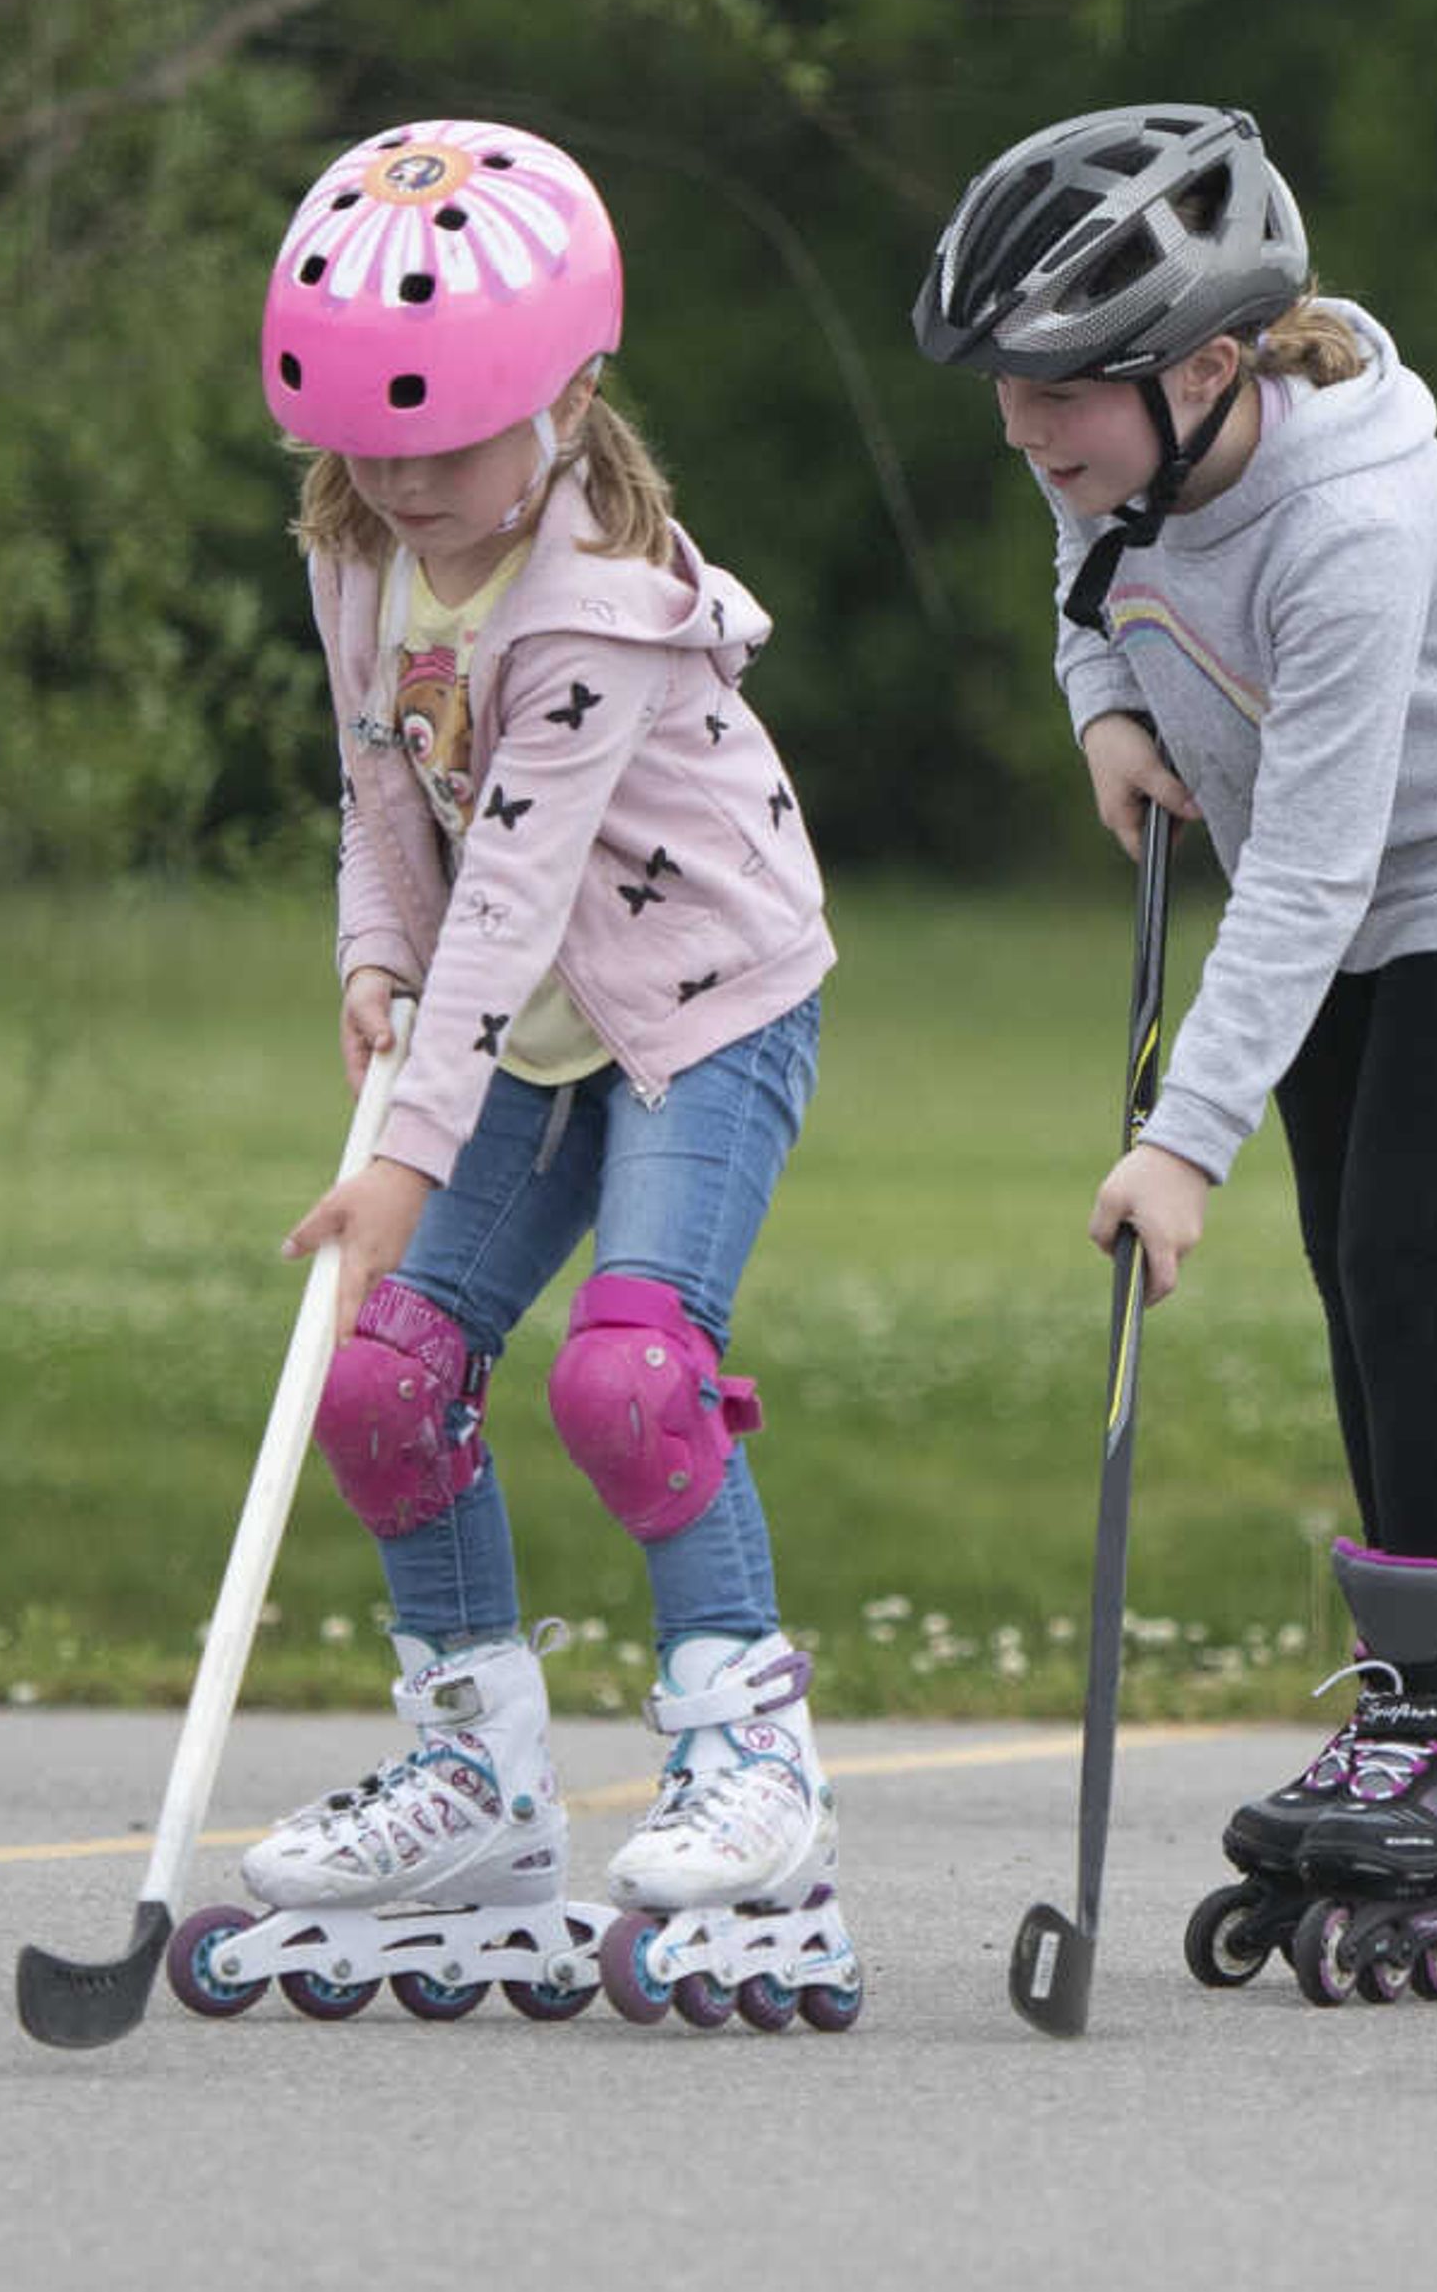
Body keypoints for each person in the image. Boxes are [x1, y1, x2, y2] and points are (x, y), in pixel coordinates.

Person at [910, 104, 1437, 1999]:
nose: (1028, 434)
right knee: (1349, 1264)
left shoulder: (1349, 520)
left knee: (1407, 1239)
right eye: (1010, 392)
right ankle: (1417, 1696)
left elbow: (1314, 874)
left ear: (1213, 364)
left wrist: (1180, 1137)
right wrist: (1104, 722)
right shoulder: (1110, 457)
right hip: (1329, 857)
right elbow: (1095, 595)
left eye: (1059, 394)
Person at [211, 117, 851, 2026]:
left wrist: (408, 1150)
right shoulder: (360, 553)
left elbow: (520, 884)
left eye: (443, 437)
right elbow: (388, 803)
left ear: (567, 406)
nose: (400, 480)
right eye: (364, 441)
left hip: (694, 1010)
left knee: (632, 1374)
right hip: (522, 1025)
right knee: (384, 1384)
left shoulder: (588, 608)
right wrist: (370, 957)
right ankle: (480, 1782)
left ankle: (755, 1767)